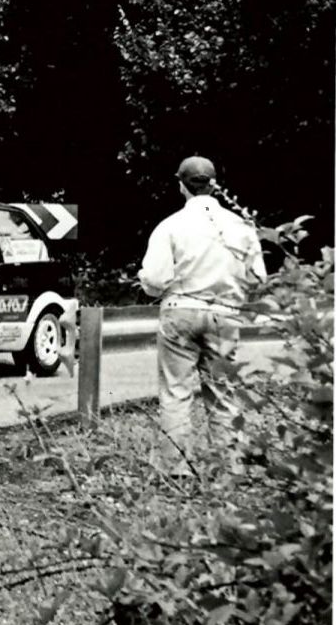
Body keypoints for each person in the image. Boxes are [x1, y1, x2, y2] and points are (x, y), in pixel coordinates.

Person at [138, 155, 267, 475]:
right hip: (224, 314)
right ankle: (229, 467)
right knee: (223, 392)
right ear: (214, 185)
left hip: (180, 311)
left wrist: (153, 286)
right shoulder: (241, 227)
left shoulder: (170, 226)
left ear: (181, 185)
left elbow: (155, 280)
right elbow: (257, 278)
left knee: (175, 392)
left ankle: (176, 469)